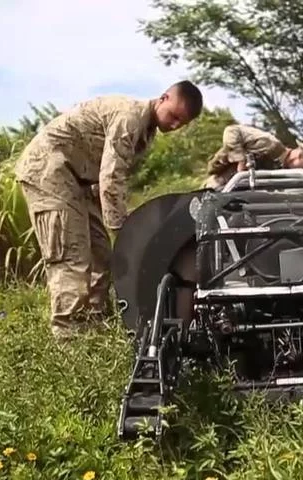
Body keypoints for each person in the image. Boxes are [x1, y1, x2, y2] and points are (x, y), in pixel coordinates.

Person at [14, 81, 204, 340]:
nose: (173, 125)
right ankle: (68, 338)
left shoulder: (147, 131)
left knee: (101, 253)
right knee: (72, 256)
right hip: (49, 171)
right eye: (173, 116)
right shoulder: (130, 117)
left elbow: (111, 178)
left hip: (78, 181)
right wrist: (124, 232)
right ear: (163, 98)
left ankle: (95, 323)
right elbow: (111, 177)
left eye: (180, 124)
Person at [203, 124, 303, 189]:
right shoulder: (270, 144)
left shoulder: (283, 173)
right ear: (300, 156)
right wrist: (241, 162)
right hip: (219, 185)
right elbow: (232, 131)